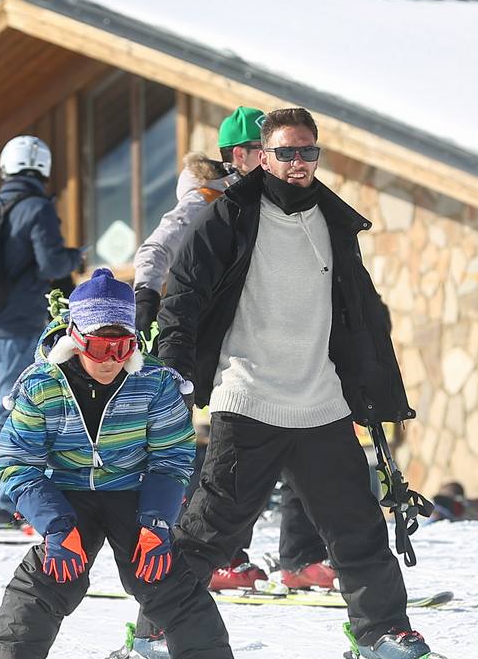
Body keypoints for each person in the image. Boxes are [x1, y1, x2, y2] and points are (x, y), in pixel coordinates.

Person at [154, 106, 441, 659]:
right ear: (263, 156)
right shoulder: (229, 216)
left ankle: (381, 633)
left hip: (320, 398)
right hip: (249, 394)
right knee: (212, 527)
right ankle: (158, 627)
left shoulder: (333, 222)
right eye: (285, 152)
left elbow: (358, 315)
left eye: (308, 152)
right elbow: (183, 298)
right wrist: (174, 376)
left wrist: (372, 391)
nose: (297, 163)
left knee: (357, 524)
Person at [0, 268, 250, 659]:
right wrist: (56, 526)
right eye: (100, 345)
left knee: (163, 575)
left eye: (123, 346)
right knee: (51, 574)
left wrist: (156, 521)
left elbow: (172, 457)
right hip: (65, 493)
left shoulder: (155, 384)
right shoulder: (42, 386)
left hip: (134, 491)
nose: (110, 358)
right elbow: (17, 460)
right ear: (76, 337)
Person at [133, 106, 332, 594]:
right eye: (269, 151)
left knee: (298, 447)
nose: (281, 161)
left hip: (263, 345)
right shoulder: (210, 199)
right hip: (204, 342)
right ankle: (207, 559)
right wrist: (144, 300)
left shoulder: (274, 201)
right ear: (242, 154)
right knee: (220, 457)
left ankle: (300, 557)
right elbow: (155, 252)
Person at [0, 136, 81, 527]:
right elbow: (50, 263)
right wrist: (77, 256)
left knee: (15, 409)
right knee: (10, 412)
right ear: (42, 169)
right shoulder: (36, 208)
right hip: (19, 325)